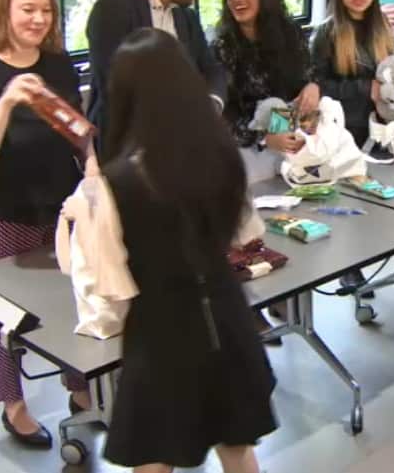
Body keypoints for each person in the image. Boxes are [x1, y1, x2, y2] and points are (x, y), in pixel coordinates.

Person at [98, 28, 276, 472]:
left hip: (160, 334)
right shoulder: (222, 155)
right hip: (227, 318)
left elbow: (110, 283)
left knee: (155, 456)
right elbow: (247, 233)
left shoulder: (116, 181)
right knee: (237, 447)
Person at [0, 0, 90, 449]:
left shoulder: (57, 64)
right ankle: (13, 405)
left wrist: (95, 170)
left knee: (72, 294)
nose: (38, 19)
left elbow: (75, 129)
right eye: (27, 10)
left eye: (46, 11)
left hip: (59, 203)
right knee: (5, 312)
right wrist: (9, 100)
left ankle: (80, 388)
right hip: (2, 206)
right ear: (4, 12)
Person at [212, 0, 319, 342]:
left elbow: (305, 79)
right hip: (245, 147)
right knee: (250, 231)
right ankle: (253, 305)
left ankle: (289, 295)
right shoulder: (221, 48)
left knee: (293, 220)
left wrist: (313, 89)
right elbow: (221, 117)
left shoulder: (289, 35)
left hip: (289, 140)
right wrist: (263, 140)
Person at [86, 0, 227, 139]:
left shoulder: (186, 16)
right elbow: (115, 86)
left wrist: (212, 104)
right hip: (130, 143)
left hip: (190, 141)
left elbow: (212, 70)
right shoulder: (113, 8)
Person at [311, 0, 394, 148]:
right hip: (342, 131)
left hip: (381, 128)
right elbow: (316, 87)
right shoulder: (326, 32)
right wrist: (366, 88)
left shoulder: (383, 25)